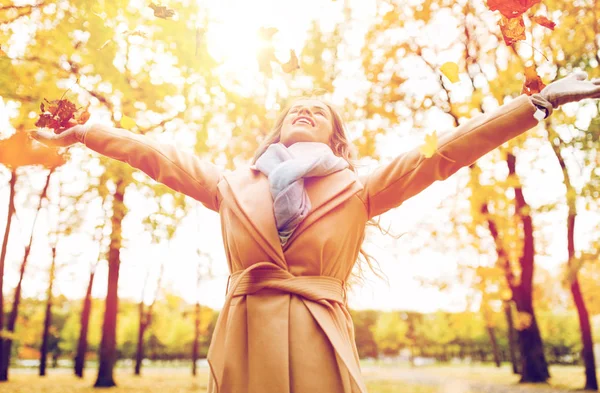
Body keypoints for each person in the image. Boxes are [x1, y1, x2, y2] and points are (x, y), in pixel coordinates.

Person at [31, 71, 600, 393]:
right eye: (295, 108)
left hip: (318, 339)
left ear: (336, 138)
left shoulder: (362, 186)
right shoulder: (231, 184)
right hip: (244, 338)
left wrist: (539, 103)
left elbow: (443, 154)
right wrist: (86, 133)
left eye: (319, 111)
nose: (305, 111)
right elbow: (156, 154)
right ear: (278, 127)